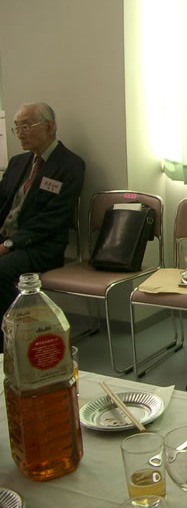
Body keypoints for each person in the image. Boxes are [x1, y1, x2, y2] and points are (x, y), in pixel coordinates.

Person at [0, 103, 85, 346]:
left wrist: (9, 244)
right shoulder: (17, 163)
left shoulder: (70, 165)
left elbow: (52, 218)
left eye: (26, 126)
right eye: (16, 128)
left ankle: (17, 339)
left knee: (0, 272)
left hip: (40, 246)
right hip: (7, 239)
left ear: (49, 126)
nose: (20, 134)